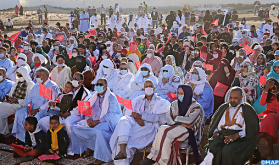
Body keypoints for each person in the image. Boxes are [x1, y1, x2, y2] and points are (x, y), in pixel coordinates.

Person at [110, 79, 170, 164]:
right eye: (146, 86)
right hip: (136, 123)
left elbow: (158, 118)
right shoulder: (138, 99)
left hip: (149, 127)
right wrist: (138, 119)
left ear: (154, 87)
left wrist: (141, 117)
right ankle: (122, 149)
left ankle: (123, 149)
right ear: (143, 88)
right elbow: (130, 112)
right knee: (124, 120)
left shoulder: (159, 101)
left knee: (126, 139)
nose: (148, 88)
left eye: (150, 86)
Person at [141, 85, 203, 165]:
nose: (180, 95)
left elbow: (190, 121)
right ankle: (156, 157)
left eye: (182, 93)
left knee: (166, 132)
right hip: (175, 127)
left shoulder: (196, 106)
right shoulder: (174, 104)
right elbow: (169, 119)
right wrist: (180, 122)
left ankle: (160, 160)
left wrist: (176, 118)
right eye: (179, 93)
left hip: (189, 131)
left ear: (187, 94)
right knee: (162, 129)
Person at [201, 87, 259, 165]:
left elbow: (251, 129)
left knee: (227, 152)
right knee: (211, 148)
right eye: (230, 98)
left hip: (240, 139)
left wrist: (236, 135)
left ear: (241, 97)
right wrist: (215, 132)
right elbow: (214, 123)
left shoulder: (247, 109)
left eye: (235, 98)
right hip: (222, 135)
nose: (232, 100)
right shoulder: (223, 107)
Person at [71, 78, 122, 164]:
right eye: (97, 84)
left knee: (97, 131)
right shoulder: (94, 96)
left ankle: (102, 156)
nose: (98, 86)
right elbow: (88, 109)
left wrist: (98, 121)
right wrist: (88, 119)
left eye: (101, 85)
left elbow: (111, 114)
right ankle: (89, 148)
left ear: (106, 86)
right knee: (76, 128)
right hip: (93, 121)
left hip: (107, 122)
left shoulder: (111, 98)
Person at [38, 72, 91, 155]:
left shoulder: (85, 93)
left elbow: (83, 110)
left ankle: (70, 149)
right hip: (63, 114)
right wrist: (54, 104)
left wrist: (69, 113)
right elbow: (60, 102)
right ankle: (55, 144)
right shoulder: (69, 89)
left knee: (68, 123)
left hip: (77, 116)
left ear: (81, 81)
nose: (74, 80)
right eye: (73, 78)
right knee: (42, 122)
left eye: (76, 79)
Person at [12, 68, 60, 143]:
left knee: (36, 118)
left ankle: (35, 140)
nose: (35, 77)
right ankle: (22, 138)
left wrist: (38, 110)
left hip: (44, 110)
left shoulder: (52, 86)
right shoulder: (36, 86)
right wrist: (28, 107)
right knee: (19, 113)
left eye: (37, 76)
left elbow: (51, 103)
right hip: (32, 108)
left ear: (43, 76)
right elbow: (29, 98)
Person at [0, 67, 34, 138]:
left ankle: (4, 132)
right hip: (12, 103)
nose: (19, 77)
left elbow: (29, 101)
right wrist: (8, 98)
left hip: (21, 105)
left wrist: (16, 101)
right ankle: (3, 132)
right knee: (1, 113)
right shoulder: (16, 83)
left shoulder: (30, 84)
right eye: (18, 76)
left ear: (24, 74)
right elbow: (10, 94)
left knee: (1, 106)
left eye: (20, 75)